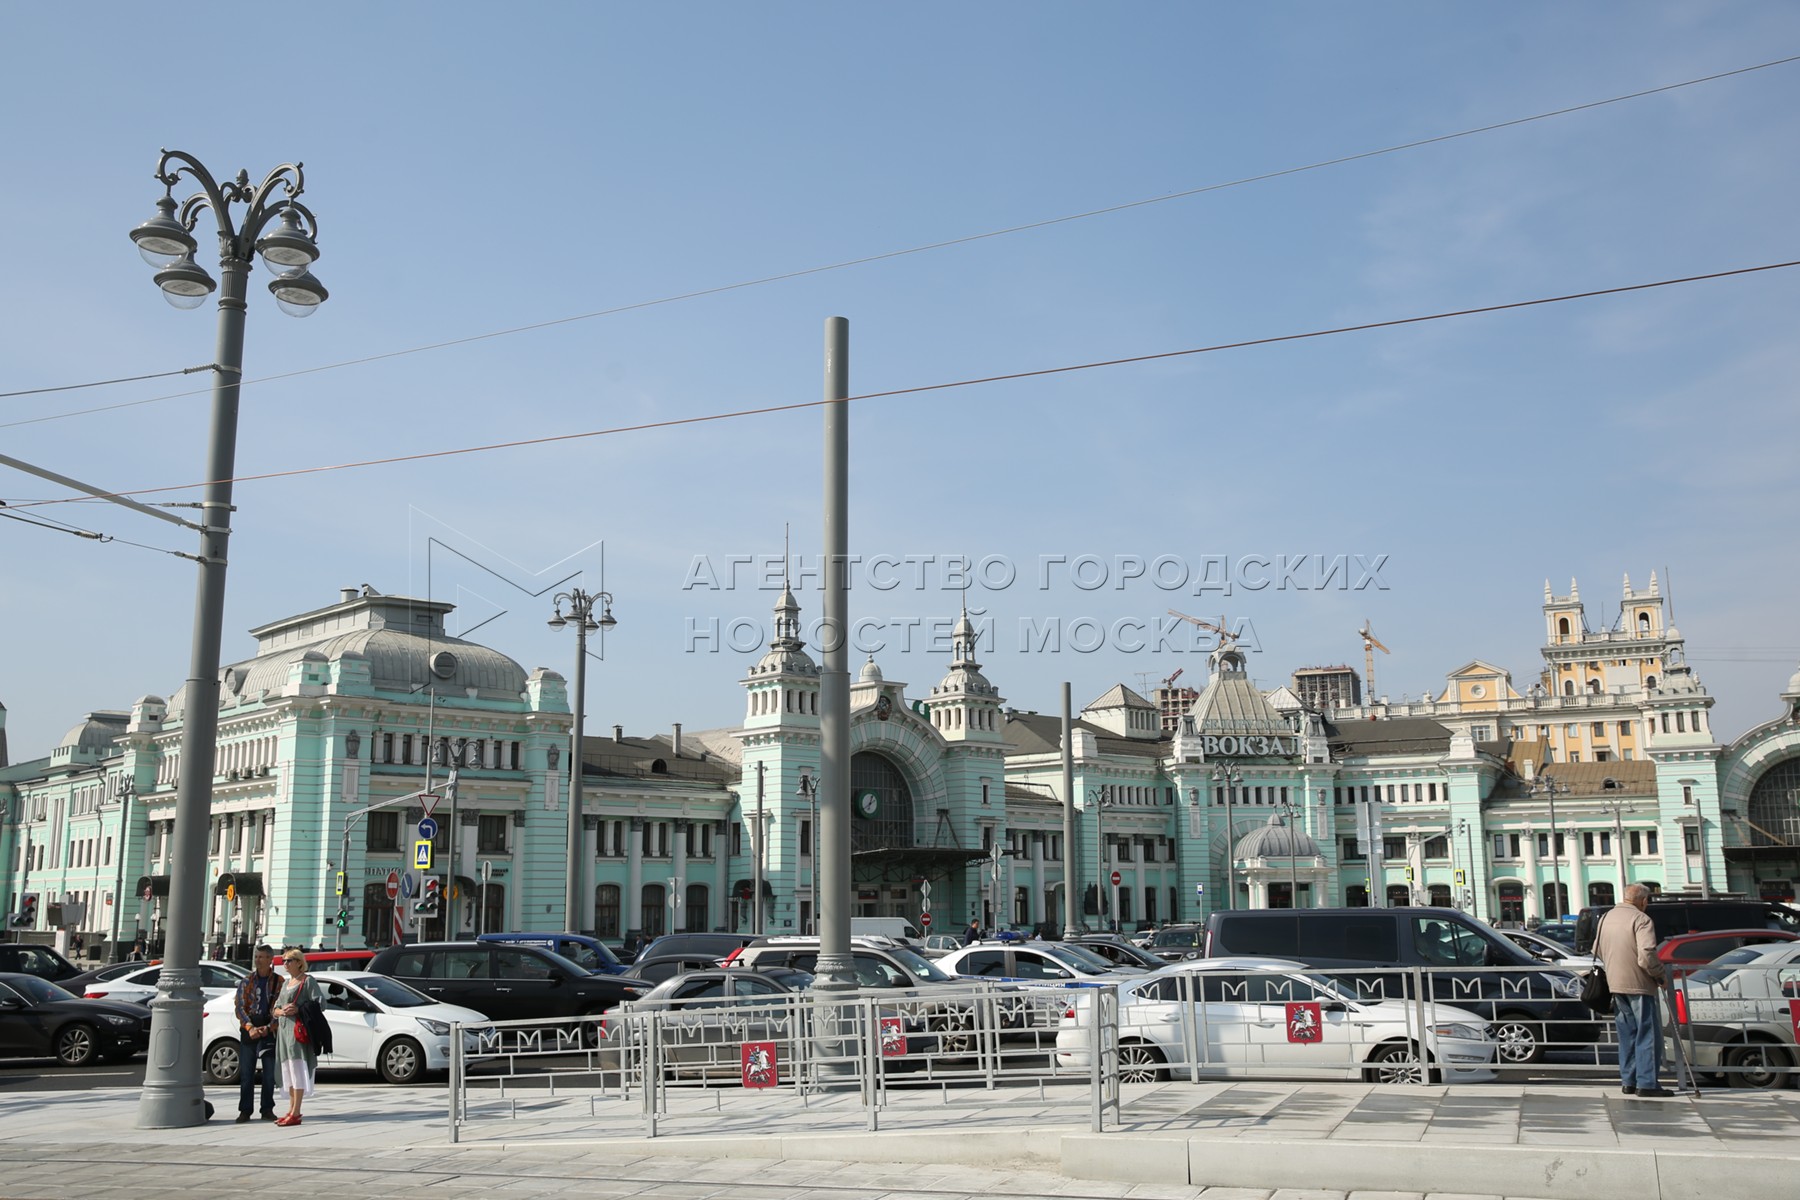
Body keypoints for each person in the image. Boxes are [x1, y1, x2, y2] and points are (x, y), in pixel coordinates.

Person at [1595, 882, 1671, 1097]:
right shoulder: (1641, 919)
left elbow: (1596, 948)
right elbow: (1647, 954)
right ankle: (1646, 1084)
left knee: (1627, 1034)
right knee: (1647, 1034)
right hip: (1640, 984)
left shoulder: (1606, 918)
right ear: (1644, 901)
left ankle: (1628, 1081)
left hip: (1615, 983)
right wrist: (1660, 976)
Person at [272, 948, 322, 1125]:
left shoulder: (307, 981)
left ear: (299, 962)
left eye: (289, 960)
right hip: (284, 1032)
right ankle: (291, 1109)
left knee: (297, 1069)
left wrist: (299, 1009)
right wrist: (280, 1011)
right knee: (288, 1071)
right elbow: (275, 1008)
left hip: (298, 1032)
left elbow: (319, 1004)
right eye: (284, 961)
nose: (285, 964)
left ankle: (296, 1111)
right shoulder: (287, 983)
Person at [234, 945, 280, 1123]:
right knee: (246, 1073)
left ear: (270, 960)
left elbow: (280, 1007)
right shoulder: (247, 981)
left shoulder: (278, 981)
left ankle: (267, 1108)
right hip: (250, 1029)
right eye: (256, 956)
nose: (258, 960)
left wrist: (269, 1027)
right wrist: (249, 1027)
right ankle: (245, 1110)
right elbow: (240, 1007)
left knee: (269, 1073)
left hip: (268, 1030)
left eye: (262, 957)